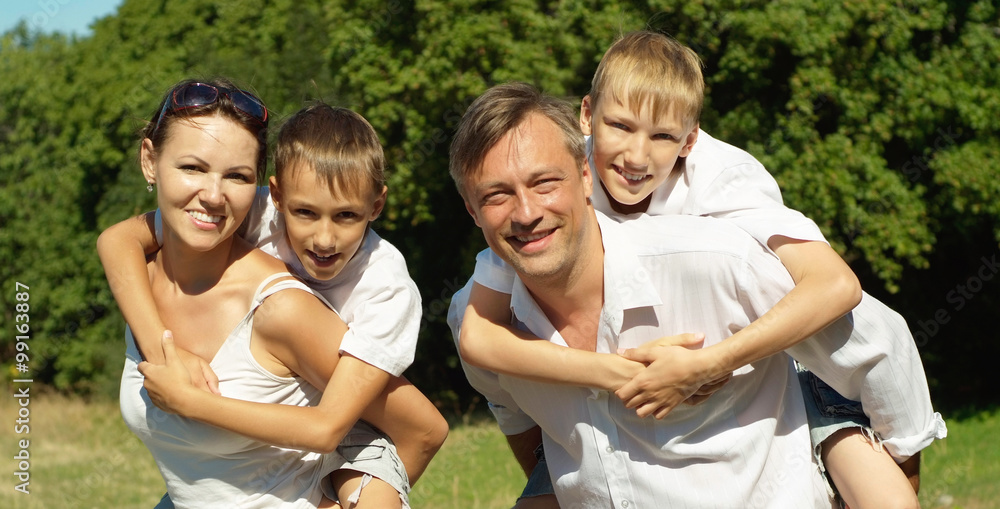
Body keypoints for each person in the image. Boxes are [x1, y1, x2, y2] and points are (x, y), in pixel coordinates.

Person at [451, 32, 946, 509]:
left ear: (689, 140)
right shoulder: (544, 186)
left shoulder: (722, 183)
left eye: (662, 136)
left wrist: (710, 364)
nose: (636, 155)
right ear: (587, 116)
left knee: (889, 499)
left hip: (793, 364)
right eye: (620, 126)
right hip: (599, 425)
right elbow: (477, 338)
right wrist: (618, 373)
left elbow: (836, 287)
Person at [97, 82, 446, 508]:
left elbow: (389, 429)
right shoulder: (248, 220)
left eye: (238, 176)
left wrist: (191, 402)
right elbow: (115, 240)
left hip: (343, 428)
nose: (212, 194)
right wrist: (164, 352)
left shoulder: (379, 290)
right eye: (192, 167)